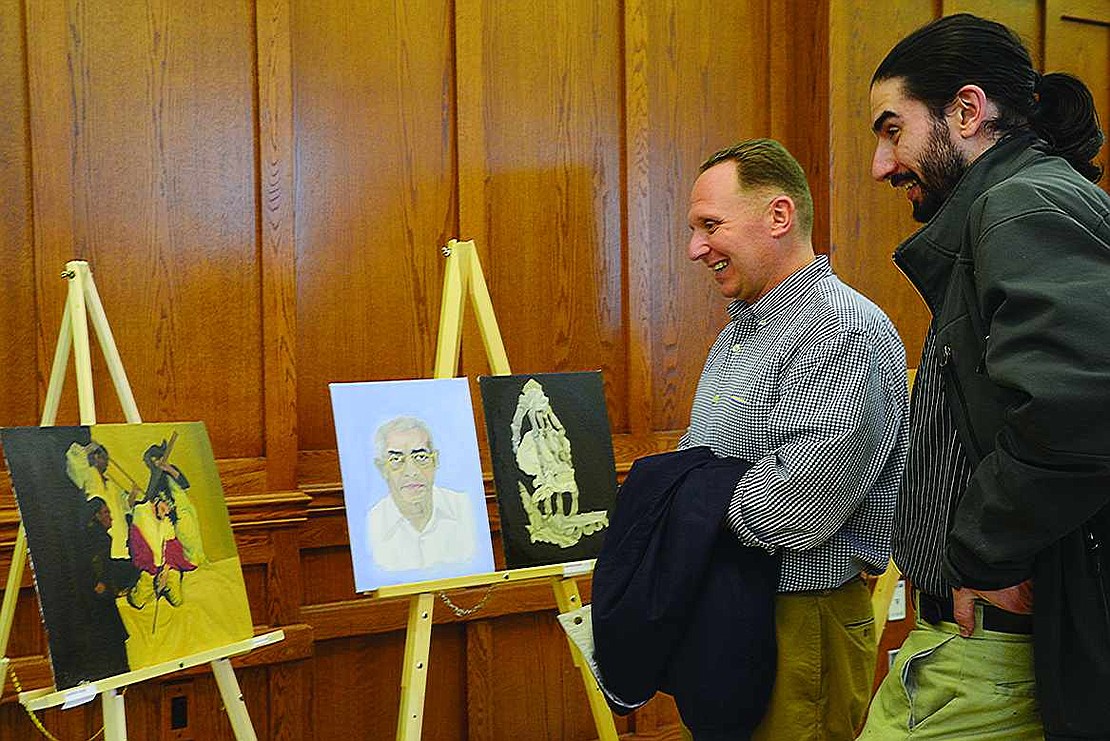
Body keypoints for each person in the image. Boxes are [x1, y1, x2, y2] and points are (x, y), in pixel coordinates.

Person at [859, 14, 1110, 741]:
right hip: (976, 645)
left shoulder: (1021, 202)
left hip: (994, 650)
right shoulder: (1013, 204)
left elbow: (1077, 410)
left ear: (967, 112)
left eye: (890, 129)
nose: (883, 164)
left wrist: (982, 551)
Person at [680, 138, 908, 740]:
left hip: (802, 616)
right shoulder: (742, 332)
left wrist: (681, 513)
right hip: (739, 607)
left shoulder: (839, 329)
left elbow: (798, 510)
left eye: (710, 225)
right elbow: (696, 466)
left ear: (778, 217)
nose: (695, 248)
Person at [366, 416, 477, 571]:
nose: (412, 471)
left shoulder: (467, 509)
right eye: (396, 459)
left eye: (421, 457)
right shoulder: (371, 525)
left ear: (435, 460)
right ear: (382, 468)